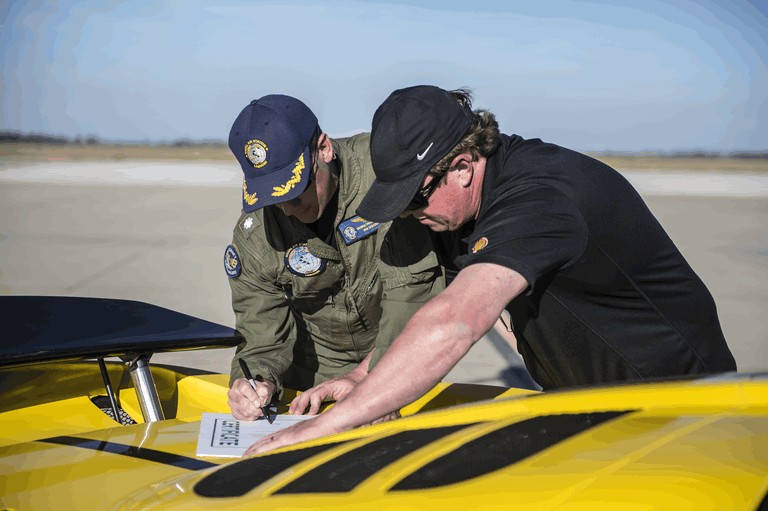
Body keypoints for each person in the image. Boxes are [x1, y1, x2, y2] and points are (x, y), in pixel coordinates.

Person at [244, 84, 736, 455]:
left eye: (414, 200)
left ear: (461, 166)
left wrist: (328, 426)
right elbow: (436, 299)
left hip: (679, 412)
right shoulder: (462, 204)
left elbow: (456, 320)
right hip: (591, 407)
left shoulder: (539, 199)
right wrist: (365, 378)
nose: (412, 216)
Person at [224, 94, 445, 421]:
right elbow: (260, 332)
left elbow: (412, 296)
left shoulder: (386, 177)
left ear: (323, 149)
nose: (286, 209)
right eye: (272, 197)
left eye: (294, 193)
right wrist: (255, 380)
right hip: (314, 385)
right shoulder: (256, 234)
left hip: (399, 361)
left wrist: (373, 380)